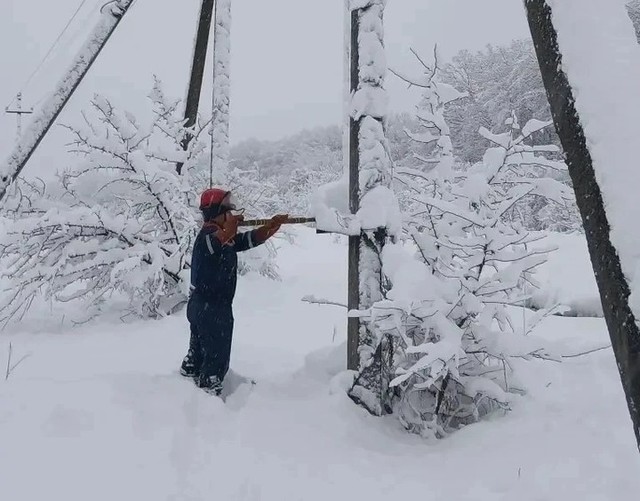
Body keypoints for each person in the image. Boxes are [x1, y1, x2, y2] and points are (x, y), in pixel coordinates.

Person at [181, 188, 288, 395]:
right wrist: (230, 227)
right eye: (228, 212)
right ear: (217, 213)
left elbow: (244, 240)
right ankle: (209, 391)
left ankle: (189, 374)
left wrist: (269, 228)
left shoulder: (222, 238)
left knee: (199, 350)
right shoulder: (208, 237)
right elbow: (217, 241)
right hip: (211, 308)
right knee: (216, 355)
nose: (231, 215)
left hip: (203, 306)